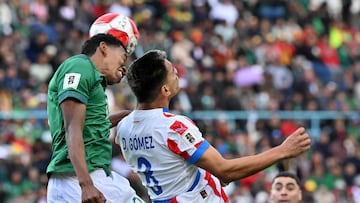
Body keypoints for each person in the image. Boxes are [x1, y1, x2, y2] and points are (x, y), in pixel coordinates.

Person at [115, 50, 312, 203]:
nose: (177, 75)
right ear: (165, 90)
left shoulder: (123, 128)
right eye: (174, 73)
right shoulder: (173, 127)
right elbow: (226, 171)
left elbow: (170, 164)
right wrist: (283, 151)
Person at [46, 33, 145, 203]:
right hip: (80, 178)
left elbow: (87, 128)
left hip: (80, 178)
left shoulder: (94, 83)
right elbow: (72, 128)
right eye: (123, 58)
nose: (124, 68)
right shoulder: (80, 65)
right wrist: (86, 184)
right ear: (104, 47)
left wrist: (126, 116)